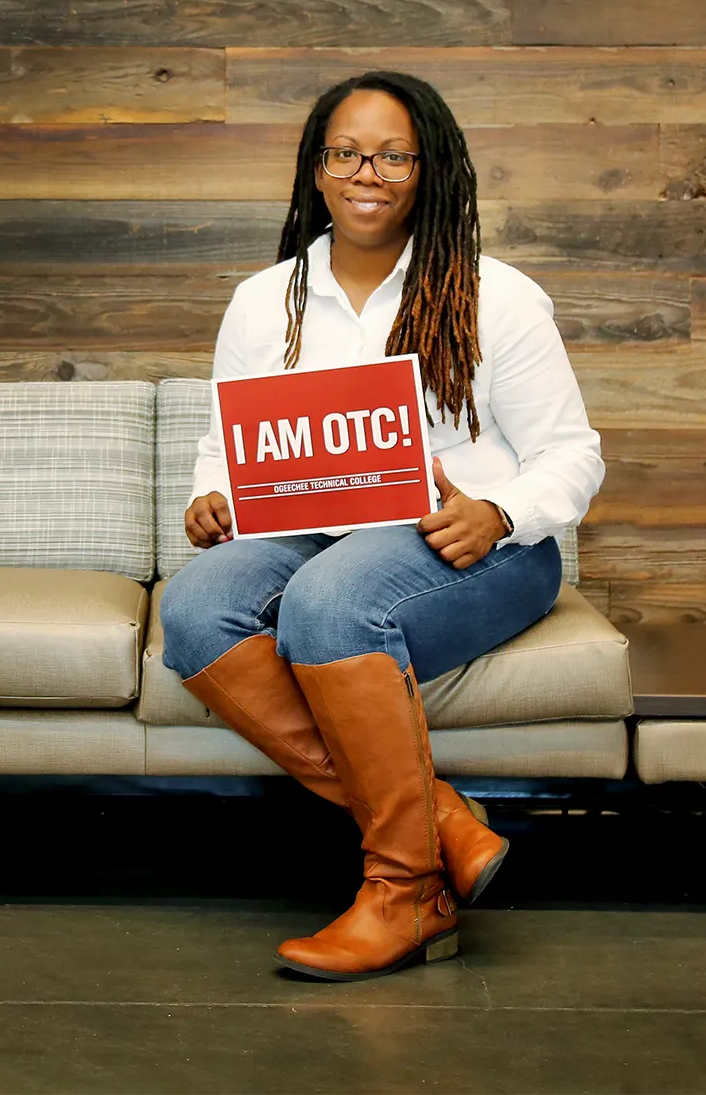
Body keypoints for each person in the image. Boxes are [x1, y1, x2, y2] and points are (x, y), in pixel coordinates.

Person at [160, 71, 604, 982]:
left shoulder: (497, 296)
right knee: (198, 604)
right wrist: (214, 494)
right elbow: (226, 444)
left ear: (428, 167)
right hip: (321, 534)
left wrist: (499, 510)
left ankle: (403, 890)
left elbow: (574, 456)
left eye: (395, 154)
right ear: (317, 170)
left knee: (329, 601)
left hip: (479, 551)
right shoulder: (264, 299)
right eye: (347, 152)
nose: (370, 172)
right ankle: (442, 822)